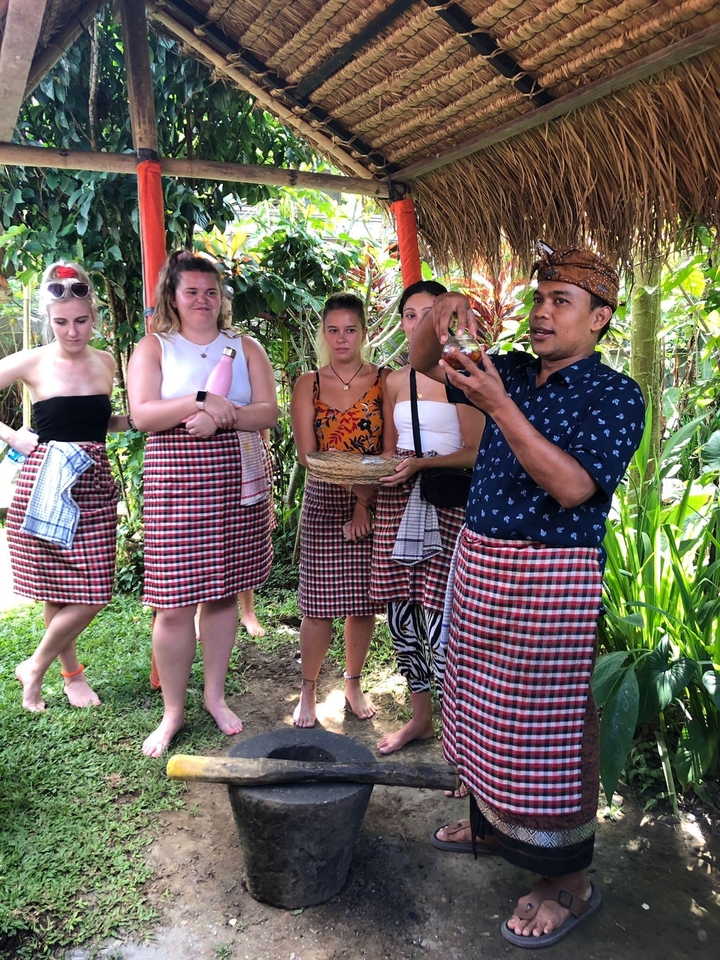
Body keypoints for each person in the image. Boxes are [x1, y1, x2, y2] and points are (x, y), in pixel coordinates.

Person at [410, 245, 645, 947]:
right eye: (540, 297)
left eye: (562, 301)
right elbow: (424, 361)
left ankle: (565, 881)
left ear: (600, 318)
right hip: (481, 563)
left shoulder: (616, 395)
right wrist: (441, 314)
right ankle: (487, 825)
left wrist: (502, 408)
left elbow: (572, 487)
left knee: (545, 724)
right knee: (481, 700)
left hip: (551, 577)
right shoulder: (507, 367)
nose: (542, 311)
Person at [127, 251, 277, 758]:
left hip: (233, 482)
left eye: (211, 292)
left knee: (223, 594)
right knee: (172, 605)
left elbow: (268, 412)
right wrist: (199, 400)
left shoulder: (244, 346)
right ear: (173, 296)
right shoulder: (154, 347)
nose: (202, 300)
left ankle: (213, 696)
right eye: (191, 291)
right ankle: (173, 711)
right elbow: (143, 415)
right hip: (176, 485)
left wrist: (221, 416)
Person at [3, 261, 128, 712]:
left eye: (80, 320)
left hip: (93, 480)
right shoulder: (32, 360)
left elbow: (96, 422)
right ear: (48, 320)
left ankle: (33, 665)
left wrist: (139, 421)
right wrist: (11, 434)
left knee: (93, 590)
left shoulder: (106, 362)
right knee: (60, 588)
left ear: (94, 316)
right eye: (61, 322)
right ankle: (69, 675)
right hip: (47, 480)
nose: (72, 332)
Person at [370, 281, 485, 754]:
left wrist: (421, 464)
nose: (421, 322)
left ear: (448, 322)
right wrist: (373, 482)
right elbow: (386, 451)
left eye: (432, 313)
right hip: (400, 505)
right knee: (402, 617)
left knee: (444, 624)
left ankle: (459, 738)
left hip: (448, 504)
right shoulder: (393, 381)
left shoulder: (469, 376)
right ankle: (420, 718)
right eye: (412, 314)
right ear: (403, 323)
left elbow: (476, 454)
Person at [291, 293, 386, 728]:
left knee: (363, 604)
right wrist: (354, 487)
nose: (342, 338)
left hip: (373, 496)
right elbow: (308, 456)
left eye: (350, 329)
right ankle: (308, 690)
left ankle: (351, 682)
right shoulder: (307, 382)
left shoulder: (385, 380)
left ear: (364, 332)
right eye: (333, 330)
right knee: (316, 607)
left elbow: (388, 452)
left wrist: (364, 501)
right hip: (324, 501)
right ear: (323, 334)